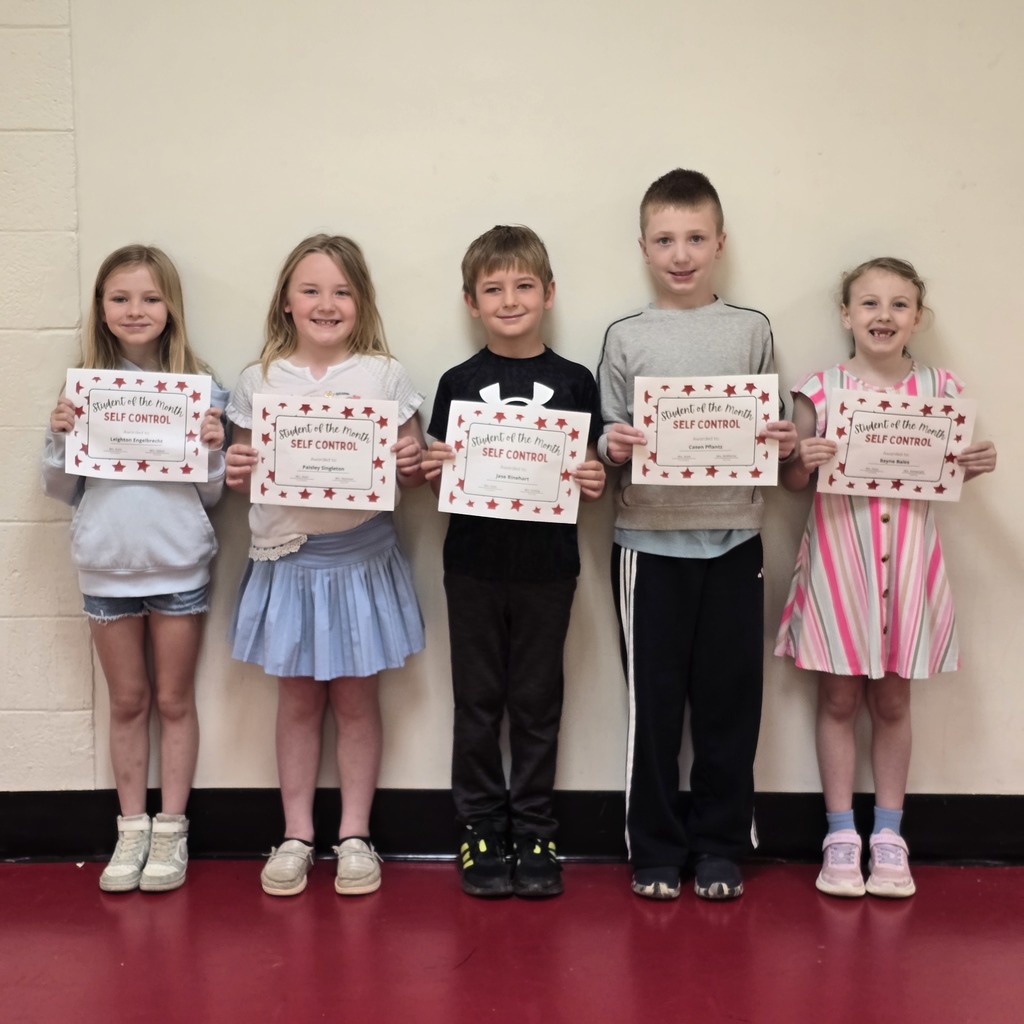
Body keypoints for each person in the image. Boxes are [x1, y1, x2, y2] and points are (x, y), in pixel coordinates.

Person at [597, 169, 797, 901]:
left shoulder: (752, 329)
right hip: (647, 546)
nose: (680, 254)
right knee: (652, 708)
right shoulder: (625, 336)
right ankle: (653, 848)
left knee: (730, 701)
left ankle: (718, 844)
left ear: (719, 243)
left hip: (735, 538)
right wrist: (611, 443)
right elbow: (603, 439)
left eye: (694, 238)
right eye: (664, 240)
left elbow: (776, 430)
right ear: (644, 247)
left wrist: (781, 438)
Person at [775, 257, 997, 898]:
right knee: (839, 700)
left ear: (917, 317)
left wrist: (975, 461)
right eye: (869, 303)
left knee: (894, 701)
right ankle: (840, 833)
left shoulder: (940, 390)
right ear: (846, 314)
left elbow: (950, 467)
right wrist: (802, 459)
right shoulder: (818, 391)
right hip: (839, 564)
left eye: (899, 304)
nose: (884, 315)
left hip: (908, 565)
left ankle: (890, 835)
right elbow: (792, 482)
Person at [225, 234, 426, 897]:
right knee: (297, 703)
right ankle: (296, 836)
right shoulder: (259, 379)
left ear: (360, 301)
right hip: (288, 561)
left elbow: (415, 470)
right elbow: (239, 473)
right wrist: (235, 467)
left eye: (341, 291)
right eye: (310, 290)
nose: (326, 303)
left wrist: (411, 462)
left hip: (361, 560)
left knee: (357, 701)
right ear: (286, 301)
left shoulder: (384, 374)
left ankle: (356, 836)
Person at [422, 225, 605, 898]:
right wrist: (433, 469)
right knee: (477, 703)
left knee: (535, 702)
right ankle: (477, 826)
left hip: (548, 569)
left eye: (524, 285)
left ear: (549, 293)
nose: (509, 300)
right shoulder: (458, 382)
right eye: (493, 289)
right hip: (472, 565)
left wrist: (594, 478)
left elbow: (591, 472)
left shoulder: (575, 381)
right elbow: (439, 484)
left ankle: (534, 829)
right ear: (471, 302)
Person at [43, 245, 226, 893]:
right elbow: (61, 490)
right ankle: (131, 829)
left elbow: (211, 495)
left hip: (178, 565)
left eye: (150, 298)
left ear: (171, 306)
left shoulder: (202, 387)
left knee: (173, 700)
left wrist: (212, 450)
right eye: (120, 298)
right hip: (106, 566)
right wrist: (61, 437)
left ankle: (171, 829)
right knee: (127, 702)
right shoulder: (82, 389)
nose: (135, 310)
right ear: (101, 308)